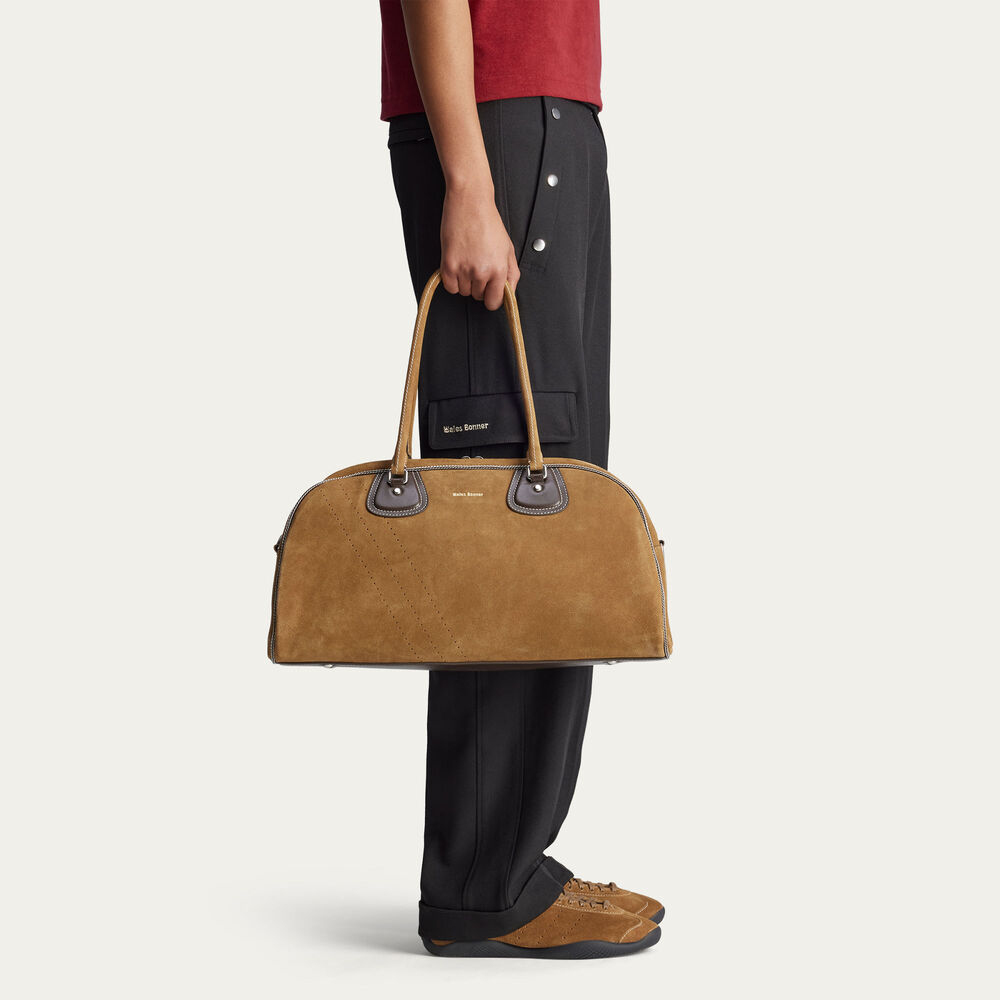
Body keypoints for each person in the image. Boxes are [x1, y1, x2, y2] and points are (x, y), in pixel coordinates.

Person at [380, 0, 663, 958]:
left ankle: (514, 859)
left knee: (560, 497)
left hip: (548, 120)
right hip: (494, 125)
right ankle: (479, 884)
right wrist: (469, 178)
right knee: (500, 511)